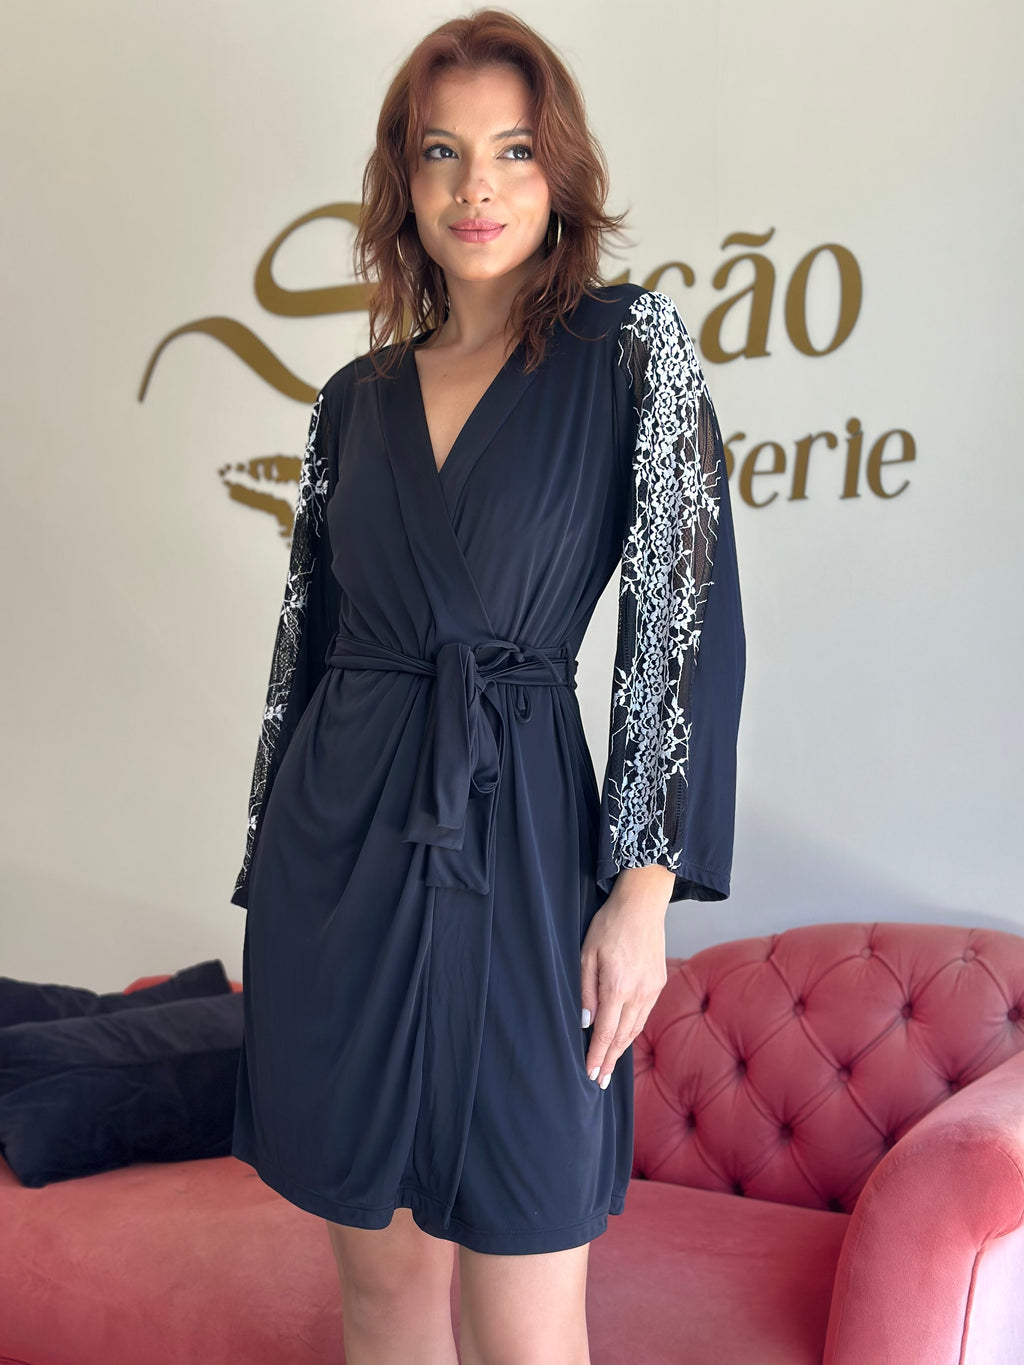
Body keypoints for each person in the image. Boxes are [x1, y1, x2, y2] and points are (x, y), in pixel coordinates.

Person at [229, 8, 745, 1363]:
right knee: (384, 1295)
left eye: (514, 149)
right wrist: (268, 874)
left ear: (560, 170)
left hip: (522, 845)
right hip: (339, 855)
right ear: (403, 180)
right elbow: (304, 652)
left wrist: (642, 892)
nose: (478, 186)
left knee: (529, 1307)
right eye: (441, 151)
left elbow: (683, 621)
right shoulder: (351, 402)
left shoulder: (629, 349)